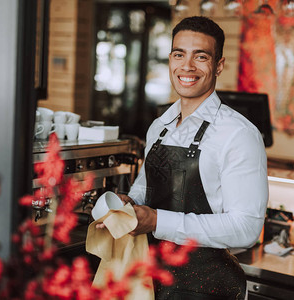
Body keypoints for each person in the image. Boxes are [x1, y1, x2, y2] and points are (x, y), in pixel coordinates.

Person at [100, 16, 268, 300]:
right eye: (179, 54)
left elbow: (246, 228)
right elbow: (145, 191)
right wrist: (130, 205)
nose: (187, 66)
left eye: (200, 57)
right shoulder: (160, 126)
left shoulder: (238, 134)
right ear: (170, 60)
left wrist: (156, 221)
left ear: (218, 66)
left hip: (207, 289)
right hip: (150, 280)